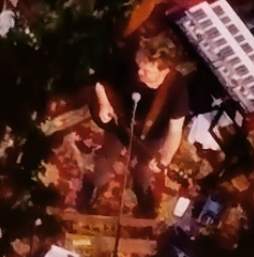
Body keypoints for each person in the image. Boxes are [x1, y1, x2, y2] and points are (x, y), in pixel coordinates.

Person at [81, 35, 191, 217]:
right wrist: (104, 103)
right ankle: (93, 183)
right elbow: (100, 80)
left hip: (152, 135)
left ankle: (141, 187)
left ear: (165, 72)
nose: (140, 72)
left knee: (144, 167)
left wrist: (165, 159)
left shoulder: (177, 89)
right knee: (106, 157)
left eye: (147, 71)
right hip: (121, 124)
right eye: (140, 66)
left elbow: (175, 131)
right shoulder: (131, 60)